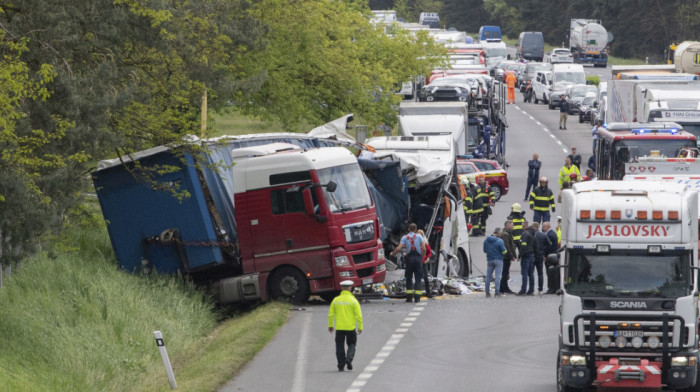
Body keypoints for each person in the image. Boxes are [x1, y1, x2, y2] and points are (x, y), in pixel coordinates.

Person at [328, 280, 363, 372]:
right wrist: (360, 327)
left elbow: (331, 314)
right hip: (350, 327)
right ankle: (349, 358)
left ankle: (341, 365)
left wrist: (330, 325)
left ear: (342, 288)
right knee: (351, 344)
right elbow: (358, 315)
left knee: (339, 346)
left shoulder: (336, 300)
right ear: (350, 288)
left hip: (339, 328)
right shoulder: (353, 301)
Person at [390, 223, 426, 303]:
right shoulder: (420, 236)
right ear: (416, 230)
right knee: (418, 278)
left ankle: (409, 298)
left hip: (409, 259)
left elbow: (399, 248)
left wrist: (392, 253)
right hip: (418, 258)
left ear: (409, 229)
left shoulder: (404, 237)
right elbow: (423, 248)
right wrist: (421, 257)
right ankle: (417, 298)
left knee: (408, 278)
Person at [483, 227, 507, 297]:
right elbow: (504, 251)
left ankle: (487, 292)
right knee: (498, 276)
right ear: (499, 233)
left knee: (488, 276)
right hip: (498, 260)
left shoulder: (486, 240)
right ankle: (497, 292)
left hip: (490, 260)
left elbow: (484, 250)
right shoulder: (500, 241)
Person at [516, 220, 538, 296]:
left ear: (525, 226)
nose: (522, 227)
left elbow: (523, 245)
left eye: (522, 226)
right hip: (531, 255)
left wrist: (519, 256)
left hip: (525, 255)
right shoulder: (533, 233)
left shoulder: (525, 234)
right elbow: (536, 246)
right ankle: (531, 290)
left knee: (524, 273)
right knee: (531, 273)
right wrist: (534, 255)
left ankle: (523, 290)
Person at [532, 222, 551, 295]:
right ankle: (540, 289)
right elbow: (549, 245)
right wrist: (544, 253)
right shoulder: (543, 235)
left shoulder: (531, 235)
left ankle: (532, 288)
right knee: (540, 273)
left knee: (531, 273)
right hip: (540, 255)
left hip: (532, 255)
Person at [500, 220, 517, 294]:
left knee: (505, 273)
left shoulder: (508, 233)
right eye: (512, 225)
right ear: (507, 226)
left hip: (507, 257)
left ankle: (503, 287)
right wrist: (511, 256)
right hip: (505, 257)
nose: (513, 226)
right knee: (505, 273)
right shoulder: (505, 235)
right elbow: (507, 246)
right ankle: (504, 288)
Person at [543, 222, 560, 294]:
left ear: (548, 227)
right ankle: (554, 287)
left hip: (550, 257)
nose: (543, 228)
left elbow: (548, 247)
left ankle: (551, 288)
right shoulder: (552, 233)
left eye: (544, 227)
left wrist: (544, 254)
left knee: (550, 273)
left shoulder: (549, 235)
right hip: (554, 255)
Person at [417, 229, 433, 298]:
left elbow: (429, 252)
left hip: (423, 262)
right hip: (417, 262)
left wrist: (428, 258)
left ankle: (428, 292)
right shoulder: (415, 243)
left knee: (425, 277)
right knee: (418, 278)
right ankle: (418, 293)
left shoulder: (425, 244)